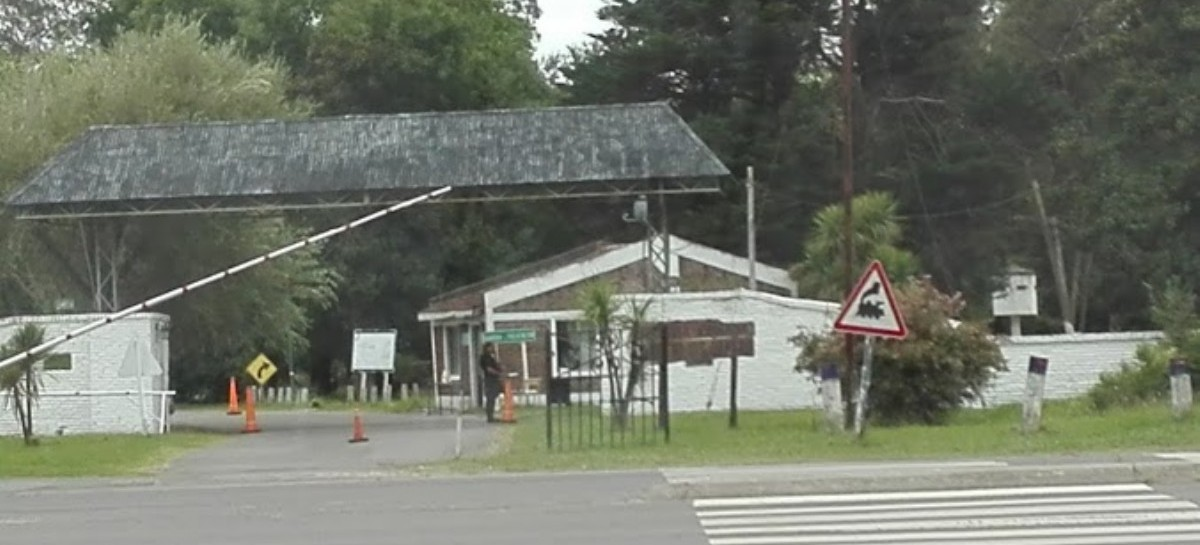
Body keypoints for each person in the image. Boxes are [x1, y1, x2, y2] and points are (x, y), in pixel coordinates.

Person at [479, 342, 504, 422]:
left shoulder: (491, 356)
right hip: (490, 379)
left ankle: (491, 415)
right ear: (487, 348)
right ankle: (490, 416)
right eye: (490, 347)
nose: (492, 349)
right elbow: (489, 369)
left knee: (494, 397)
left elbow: (496, 365)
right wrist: (498, 373)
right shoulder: (485, 357)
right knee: (490, 398)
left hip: (494, 379)